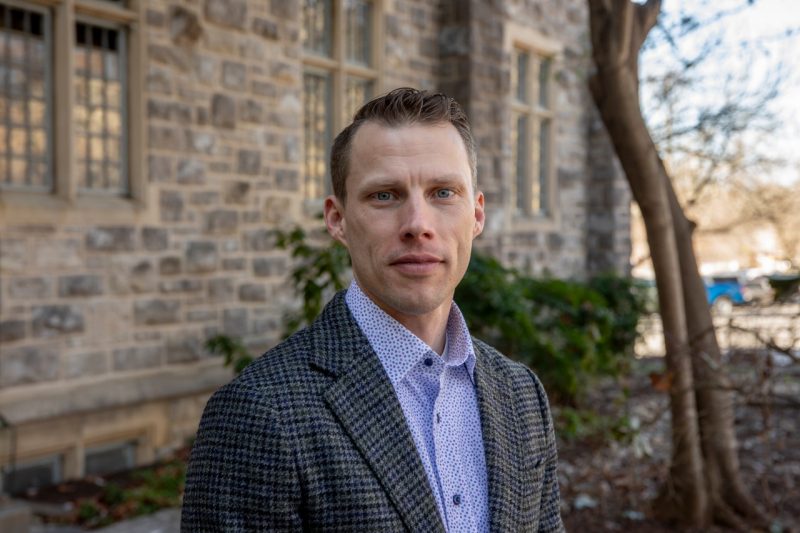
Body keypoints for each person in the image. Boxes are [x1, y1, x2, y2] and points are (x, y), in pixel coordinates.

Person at [181, 88, 563, 532]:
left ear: (476, 215)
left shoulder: (521, 396)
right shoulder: (258, 413)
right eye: (385, 195)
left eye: (443, 192)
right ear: (337, 219)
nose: (418, 224)